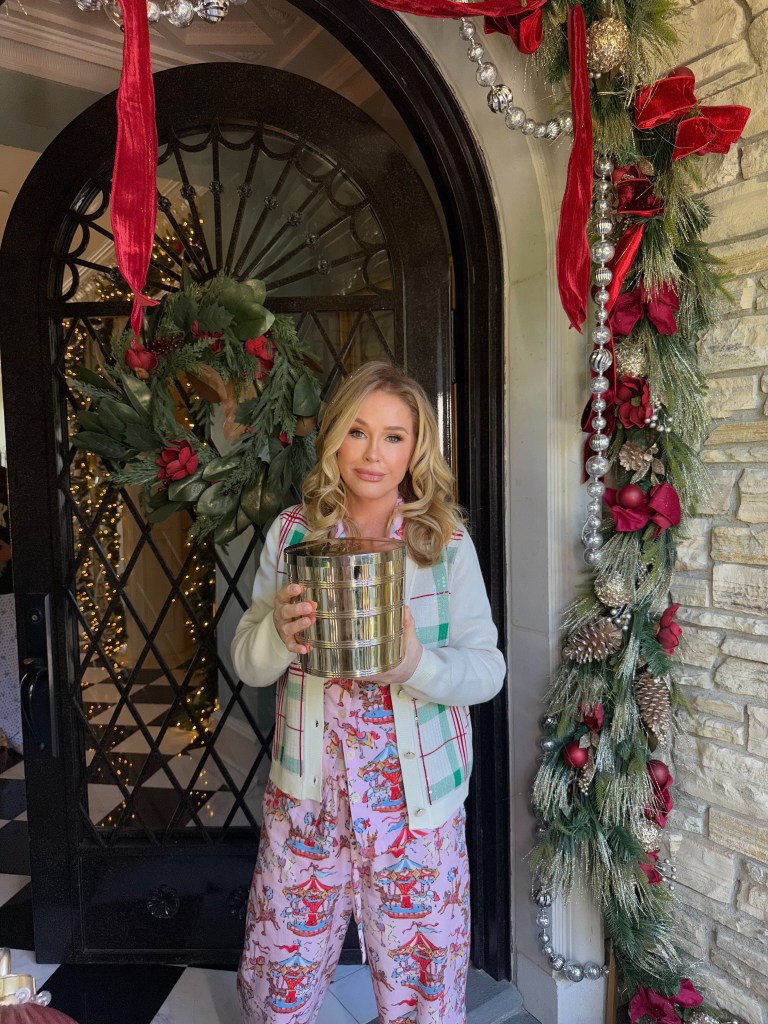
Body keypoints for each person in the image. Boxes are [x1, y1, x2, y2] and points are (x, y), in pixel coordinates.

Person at [231, 362, 505, 1024]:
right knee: (279, 986)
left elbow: (487, 670)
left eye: (393, 436)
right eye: (357, 432)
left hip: (417, 815)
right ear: (334, 438)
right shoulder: (293, 533)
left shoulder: (444, 543)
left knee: (423, 998)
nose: (372, 454)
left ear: (416, 448)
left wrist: (414, 664)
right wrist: (278, 636)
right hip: (308, 805)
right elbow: (247, 661)